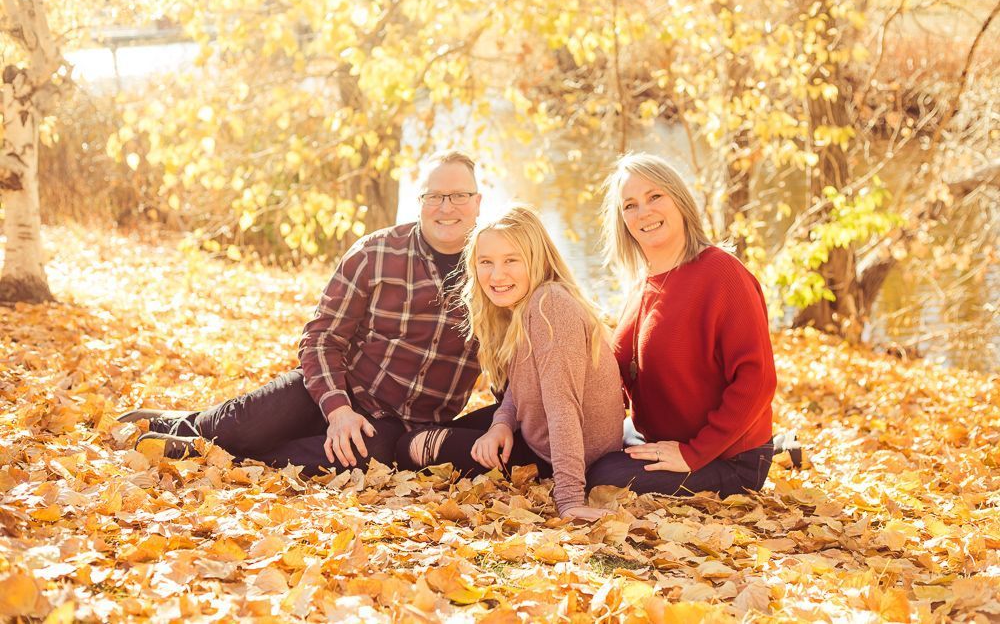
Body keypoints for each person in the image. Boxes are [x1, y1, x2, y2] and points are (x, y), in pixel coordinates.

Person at [117, 150, 485, 474]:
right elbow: (321, 338)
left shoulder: (494, 269)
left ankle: (219, 456)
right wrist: (339, 409)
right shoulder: (375, 253)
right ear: (420, 201)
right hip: (334, 386)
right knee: (248, 425)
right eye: (434, 196)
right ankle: (189, 426)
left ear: (478, 202)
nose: (446, 206)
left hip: (401, 424)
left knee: (353, 458)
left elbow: (510, 361)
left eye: (458, 196)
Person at [395, 206, 625, 521]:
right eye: (486, 262)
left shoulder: (551, 306)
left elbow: (563, 407)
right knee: (421, 437)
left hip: (559, 455)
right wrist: (501, 425)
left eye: (511, 260)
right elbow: (524, 387)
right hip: (536, 431)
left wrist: (570, 500)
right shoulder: (528, 304)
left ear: (538, 259)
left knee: (414, 445)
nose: (497, 275)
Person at [585, 152, 776, 497]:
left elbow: (757, 379)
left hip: (729, 458)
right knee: (583, 452)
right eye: (630, 205)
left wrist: (693, 454)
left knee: (603, 474)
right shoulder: (642, 285)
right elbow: (620, 378)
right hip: (657, 440)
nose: (644, 212)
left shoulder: (722, 273)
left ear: (680, 200)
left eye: (655, 196)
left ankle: (773, 451)